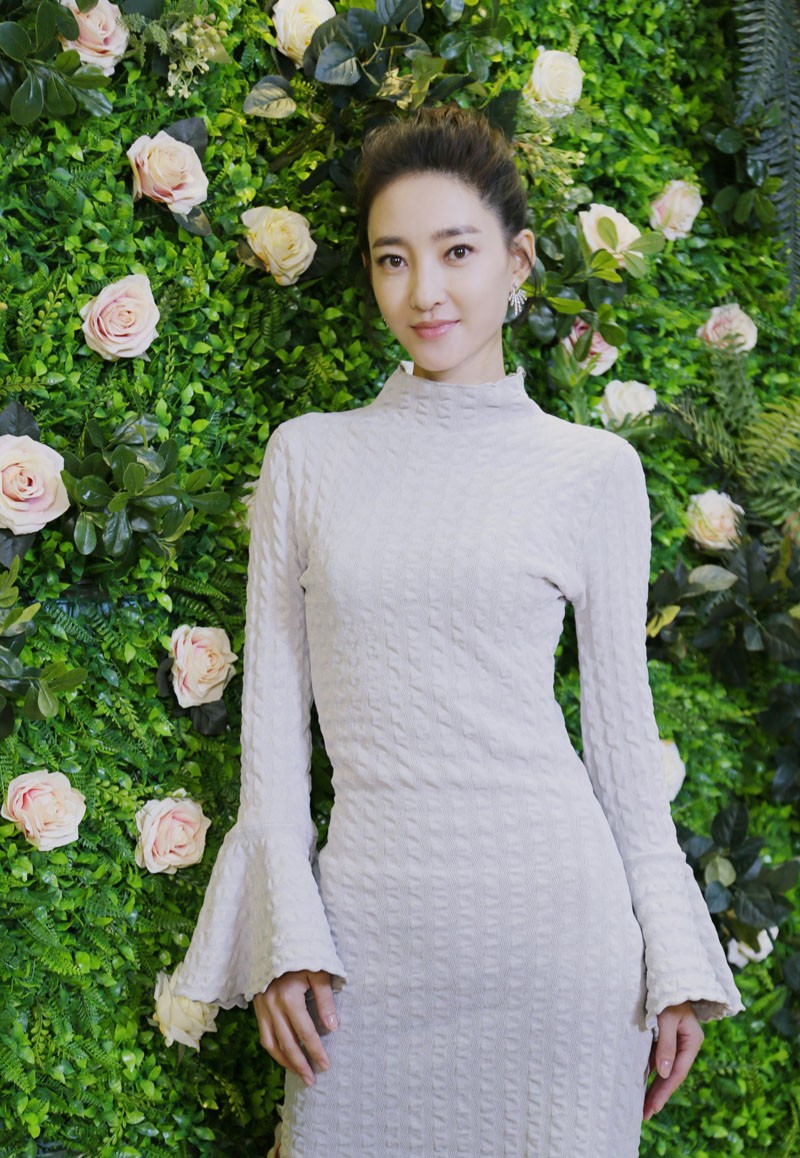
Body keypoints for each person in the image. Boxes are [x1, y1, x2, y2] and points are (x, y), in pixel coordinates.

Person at [170, 104, 745, 1156]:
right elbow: (272, 749)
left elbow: (622, 753)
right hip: (364, 953)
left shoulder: (592, 472)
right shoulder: (308, 458)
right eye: (392, 259)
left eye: (457, 252)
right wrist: (286, 940)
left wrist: (670, 961)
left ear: (516, 262)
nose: (424, 291)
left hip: (559, 951)